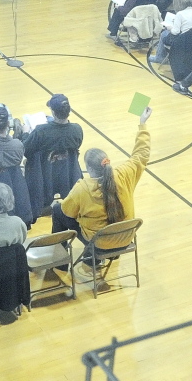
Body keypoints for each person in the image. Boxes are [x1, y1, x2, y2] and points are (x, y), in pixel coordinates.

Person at [52, 107, 151, 281]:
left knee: (57, 211)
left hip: (100, 243)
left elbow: (68, 211)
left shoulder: (82, 188)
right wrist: (142, 124)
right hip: (126, 238)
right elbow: (141, 154)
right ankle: (105, 257)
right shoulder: (124, 174)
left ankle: (60, 263)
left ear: (88, 169)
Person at [18, 93, 84, 160]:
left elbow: (24, 150)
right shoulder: (77, 129)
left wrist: (25, 133)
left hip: (46, 168)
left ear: (53, 112)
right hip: (69, 167)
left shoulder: (41, 131)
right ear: (69, 110)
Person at [150, 0, 192, 65]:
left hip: (183, 40)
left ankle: (159, 57)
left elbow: (175, 32)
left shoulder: (180, 14)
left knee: (164, 34)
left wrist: (170, 27)